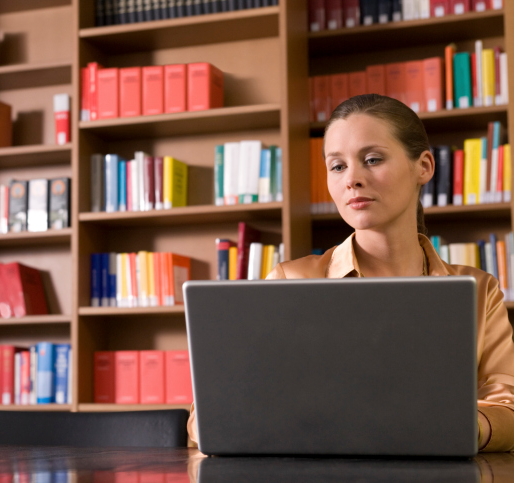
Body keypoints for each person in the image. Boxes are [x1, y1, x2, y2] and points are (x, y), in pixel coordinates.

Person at [187, 94, 514, 452]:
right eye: (337, 166)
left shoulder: (480, 290)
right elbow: (207, 415)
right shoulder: (291, 282)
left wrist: (466, 429)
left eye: (372, 160)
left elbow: (507, 407)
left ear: (424, 166)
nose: (352, 180)